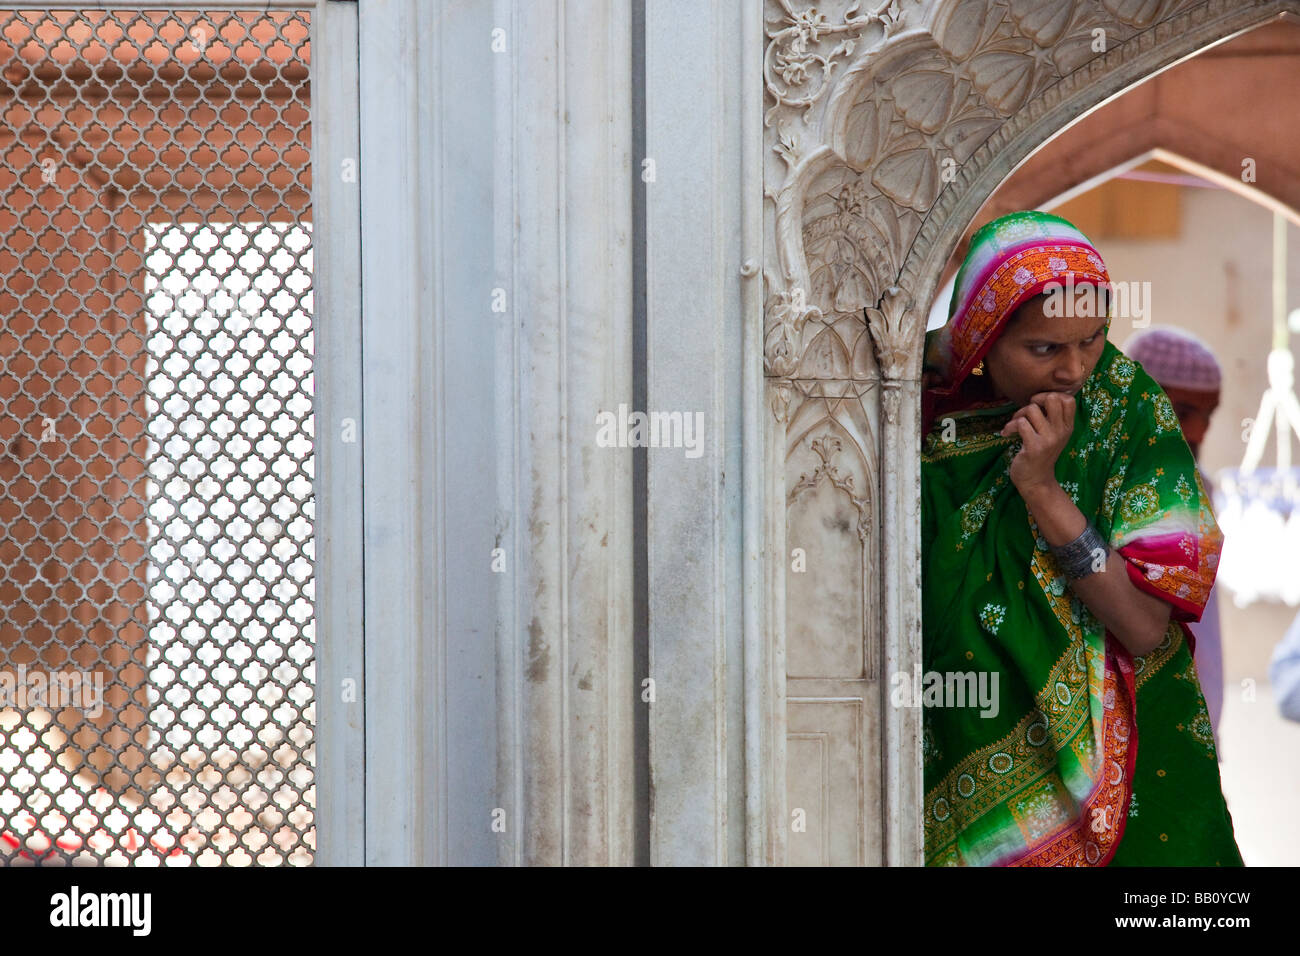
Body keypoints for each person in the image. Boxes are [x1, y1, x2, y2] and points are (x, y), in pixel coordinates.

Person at [920, 210, 1242, 866]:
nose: (1074, 369)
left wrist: (1044, 491)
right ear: (982, 339)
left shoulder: (1130, 420)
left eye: (1093, 339)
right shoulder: (905, 409)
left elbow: (1146, 626)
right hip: (941, 743)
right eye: (1044, 349)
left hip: (1112, 774)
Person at [1122, 328, 1225, 760]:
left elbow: (1206, 634)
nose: (1198, 431)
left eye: (1207, 414)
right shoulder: (1096, 486)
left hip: (1190, 725)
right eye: (1181, 412)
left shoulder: (1199, 491)